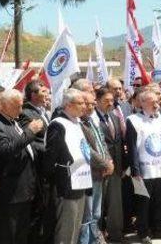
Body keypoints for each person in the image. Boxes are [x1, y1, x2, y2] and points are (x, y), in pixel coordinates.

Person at [0, 89, 43, 244]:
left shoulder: (15, 122)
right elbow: (7, 150)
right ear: (4, 105)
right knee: (9, 234)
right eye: (17, 106)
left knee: (21, 234)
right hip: (11, 193)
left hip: (26, 189)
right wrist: (29, 132)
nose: (21, 110)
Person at [126, 90, 161, 243]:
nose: (156, 104)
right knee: (144, 202)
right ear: (142, 103)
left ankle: (159, 228)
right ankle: (143, 231)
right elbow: (132, 147)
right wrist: (135, 170)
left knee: (160, 200)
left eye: (157, 101)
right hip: (144, 169)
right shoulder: (133, 120)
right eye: (152, 102)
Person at [46, 88, 93, 244]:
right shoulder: (58, 125)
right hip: (66, 184)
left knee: (75, 226)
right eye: (80, 103)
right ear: (69, 105)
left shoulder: (77, 123)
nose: (84, 106)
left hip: (80, 182)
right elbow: (51, 157)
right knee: (66, 228)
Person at [79, 91, 113, 244]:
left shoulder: (92, 121)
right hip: (88, 174)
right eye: (88, 104)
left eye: (93, 104)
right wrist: (104, 163)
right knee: (88, 213)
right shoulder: (77, 124)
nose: (92, 107)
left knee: (96, 213)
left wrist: (109, 161)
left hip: (100, 172)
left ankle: (95, 238)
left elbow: (102, 143)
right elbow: (87, 149)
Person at [95, 87, 125, 242]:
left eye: (112, 100)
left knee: (115, 203)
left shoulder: (113, 117)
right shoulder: (93, 119)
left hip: (117, 166)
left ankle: (115, 233)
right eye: (106, 101)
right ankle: (98, 235)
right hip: (101, 168)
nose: (110, 103)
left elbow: (118, 142)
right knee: (98, 204)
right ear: (97, 101)